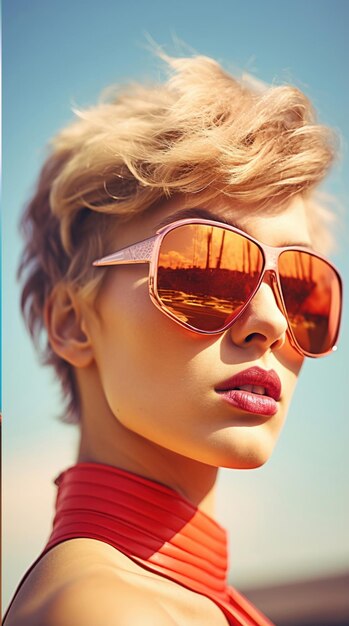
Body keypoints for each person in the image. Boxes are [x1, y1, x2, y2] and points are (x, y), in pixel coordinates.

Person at [4, 52, 342, 626]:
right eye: (205, 271)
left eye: (300, 287)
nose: (273, 323)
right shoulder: (105, 610)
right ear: (71, 321)